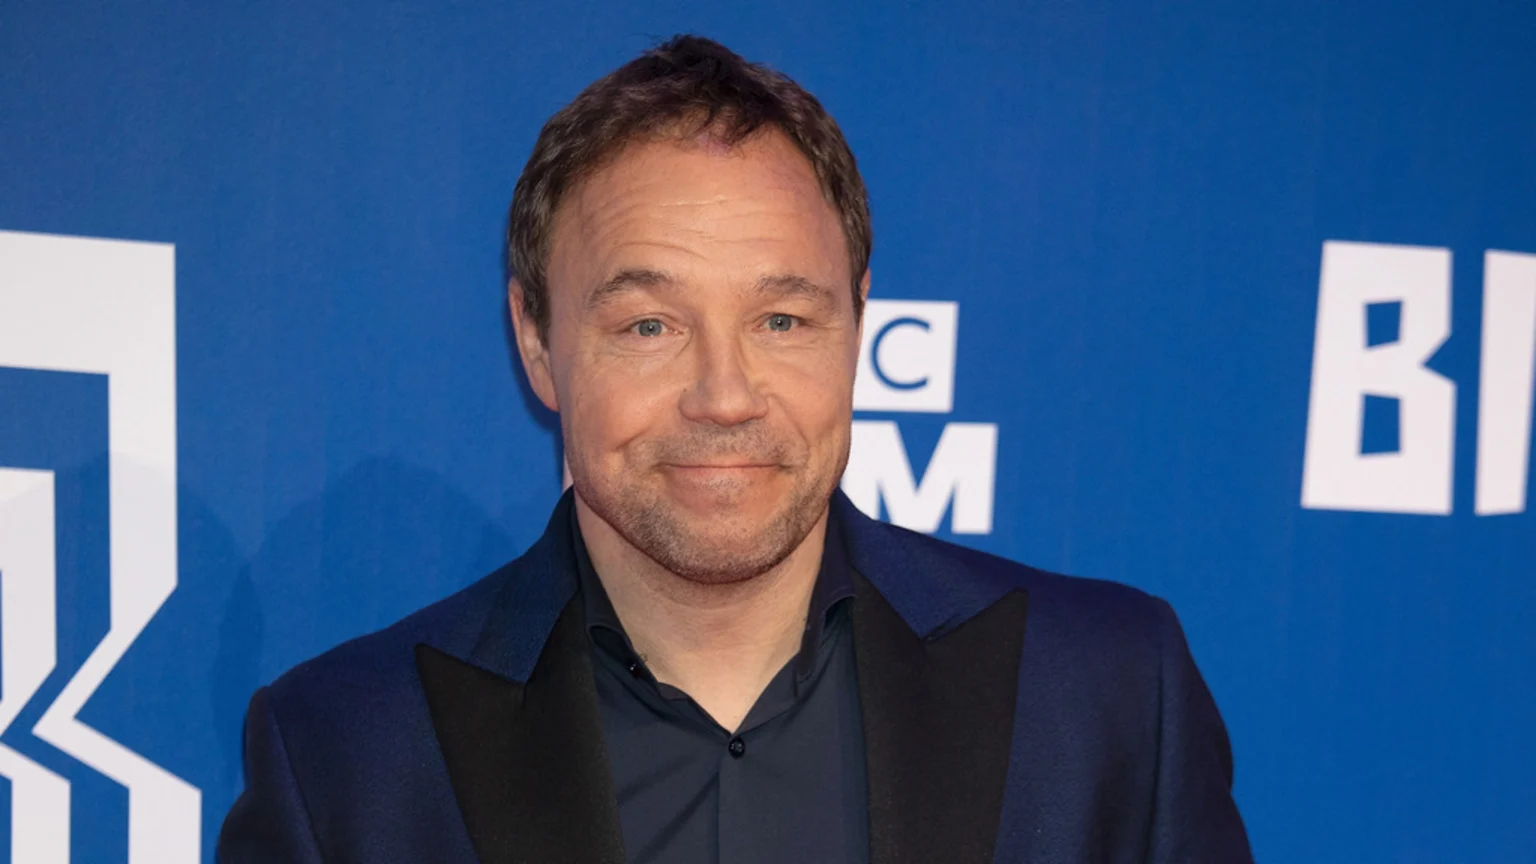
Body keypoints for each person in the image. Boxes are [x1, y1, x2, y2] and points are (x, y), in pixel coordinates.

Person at [218, 34, 1253, 864]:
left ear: (858, 326)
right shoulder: (347, 761)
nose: (723, 397)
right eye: (649, 327)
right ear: (538, 342)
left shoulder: (1110, 696)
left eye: (782, 322)